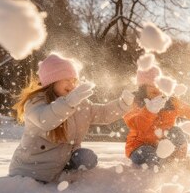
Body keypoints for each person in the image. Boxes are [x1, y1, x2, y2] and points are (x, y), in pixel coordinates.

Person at [9, 53, 134, 183]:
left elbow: (103, 113)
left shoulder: (78, 103)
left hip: (61, 164)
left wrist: (123, 104)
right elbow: (45, 120)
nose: (72, 84)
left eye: (74, 80)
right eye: (67, 79)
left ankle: (67, 175)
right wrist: (68, 103)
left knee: (87, 158)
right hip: (31, 170)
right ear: (52, 80)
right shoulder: (36, 101)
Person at [124, 66, 190, 166]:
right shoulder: (134, 101)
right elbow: (137, 125)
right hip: (139, 147)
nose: (156, 88)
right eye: (150, 85)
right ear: (143, 87)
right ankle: (159, 167)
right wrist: (150, 111)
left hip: (162, 147)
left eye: (158, 85)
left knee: (175, 131)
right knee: (152, 156)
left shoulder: (171, 102)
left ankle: (178, 160)